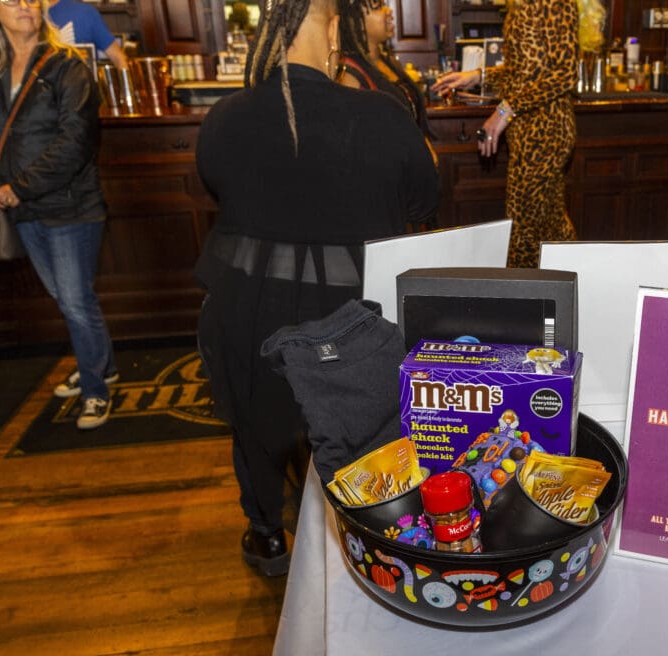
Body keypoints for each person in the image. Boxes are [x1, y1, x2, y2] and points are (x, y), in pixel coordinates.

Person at [195, 0, 439, 576]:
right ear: (334, 33)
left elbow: (219, 190)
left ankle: (267, 535)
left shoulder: (224, 118)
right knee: (367, 433)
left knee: (255, 431)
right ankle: (378, 534)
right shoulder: (379, 116)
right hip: (351, 322)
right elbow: (425, 200)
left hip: (248, 316)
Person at [0, 0, 118, 430]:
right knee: (69, 300)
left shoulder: (68, 65)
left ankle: (96, 390)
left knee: (76, 302)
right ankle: (101, 364)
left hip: (71, 207)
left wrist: (15, 189)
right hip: (23, 210)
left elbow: (75, 142)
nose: (25, 5)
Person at [432, 0, 578, 268]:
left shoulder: (555, 3)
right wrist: (477, 76)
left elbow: (566, 75)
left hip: (546, 133)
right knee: (551, 225)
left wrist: (504, 111)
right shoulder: (522, 4)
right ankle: (576, 278)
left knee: (522, 227)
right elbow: (521, 73)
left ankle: (522, 290)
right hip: (526, 132)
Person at [337, 0, 429, 135]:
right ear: (356, 21)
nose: (389, 11)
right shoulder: (349, 74)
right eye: (378, 7)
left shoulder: (390, 62)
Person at [46, 0, 129, 69]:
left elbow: (118, 58)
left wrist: (125, 82)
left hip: (83, 82)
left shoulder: (85, 13)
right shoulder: (38, 18)